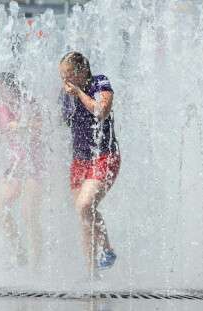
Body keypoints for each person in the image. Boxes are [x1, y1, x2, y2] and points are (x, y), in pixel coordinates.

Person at [0, 72, 44, 267]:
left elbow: (42, 126)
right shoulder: (2, 108)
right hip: (15, 166)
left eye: (0, 89)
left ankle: (37, 265)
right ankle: (20, 251)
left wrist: (22, 125)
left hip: (34, 164)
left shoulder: (29, 102)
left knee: (29, 214)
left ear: (12, 88)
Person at [58, 52, 121, 272]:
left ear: (81, 71)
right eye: (61, 77)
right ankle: (91, 274)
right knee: (83, 216)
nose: (64, 81)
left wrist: (78, 93)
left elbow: (101, 111)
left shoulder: (99, 82)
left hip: (104, 156)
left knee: (85, 205)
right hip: (79, 161)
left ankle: (108, 248)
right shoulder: (66, 94)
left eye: (67, 76)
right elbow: (61, 124)